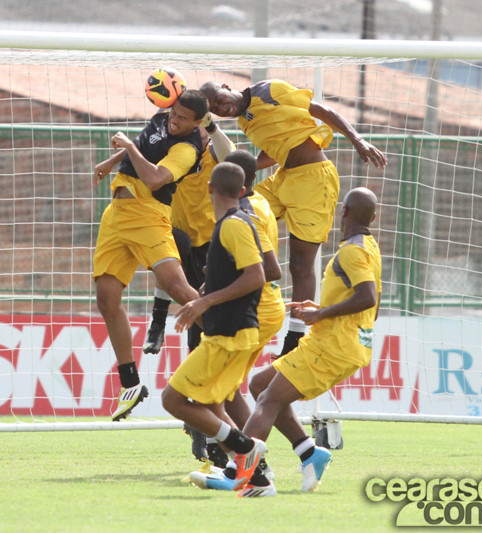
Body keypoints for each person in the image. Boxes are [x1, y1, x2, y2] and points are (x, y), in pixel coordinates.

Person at [200, 79, 387, 360]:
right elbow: (275, 151)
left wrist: (357, 139)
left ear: (226, 86)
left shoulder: (269, 90)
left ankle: (294, 340)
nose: (220, 107)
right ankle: (227, 283)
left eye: (218, 98)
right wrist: (244, 162)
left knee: (300, 264)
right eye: (214, 109)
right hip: (283, 179)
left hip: (313, 179)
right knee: (235, 210)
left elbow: (320, 110)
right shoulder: (244, 121)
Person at [237, 187, 382, 498]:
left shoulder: (352, 252)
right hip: (340, 342)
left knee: (268, 401)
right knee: (261, 385)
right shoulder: (370, 247)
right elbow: (374, 304)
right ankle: (309, 452)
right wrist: (319, 311)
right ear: (373, 217)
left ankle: (240, 473)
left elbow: (367, 298)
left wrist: (322, 315)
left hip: (331, 347)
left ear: (342, 212)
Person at [92, 90, 208, 421]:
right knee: (106, 298)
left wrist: (127, 147)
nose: (175, 120)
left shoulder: (187, 149)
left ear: (197, 123)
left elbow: (156, 178)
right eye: (174, 113)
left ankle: (227, 338)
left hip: (148, 215)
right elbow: (143, 146)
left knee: (177, 286)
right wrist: (113, 161)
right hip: (116, 214)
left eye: (183, 119)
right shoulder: (163, 118)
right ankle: (130, 384)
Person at [161, 161, 268, 493]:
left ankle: (246, 450)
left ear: (208, 187)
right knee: (211, 405)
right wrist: (210, 286)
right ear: (242, 191)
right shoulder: (229, 225)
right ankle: (258, 479)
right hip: (233, 333)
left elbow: (257, 276)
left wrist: (204, 301)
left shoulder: (234, 225)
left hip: (229, 335)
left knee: (173, 399)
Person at [143, 113, 235, 356]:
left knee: (201, 316)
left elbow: (231, 157)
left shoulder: (214, 152)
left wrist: (212, 126)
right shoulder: (175, 150)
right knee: (171, 254)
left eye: (200, 129)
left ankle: (208, 363)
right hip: (176, 232)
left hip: (209, 243)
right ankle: (157, 323)